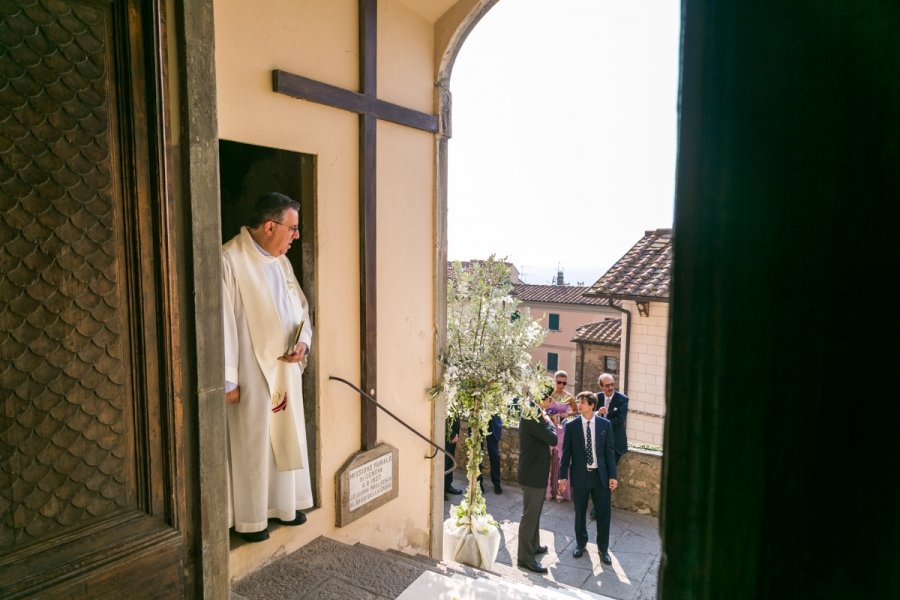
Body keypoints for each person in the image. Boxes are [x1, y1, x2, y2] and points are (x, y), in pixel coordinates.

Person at [223, 192, 313, 543]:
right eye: (292, 228)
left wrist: (303, 342)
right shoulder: (230, 259)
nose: (296, 236)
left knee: (286, 441)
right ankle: (251, 518)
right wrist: (227, 378)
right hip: (252, 374)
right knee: (255, 444)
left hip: (285, 373)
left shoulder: (281, 261)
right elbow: (222, 321)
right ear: (270, 226)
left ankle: (285, 507)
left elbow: (301, 309)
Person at [558, 391, 618, 565]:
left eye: (583, 402)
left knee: (604, 514)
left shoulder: (605, 425)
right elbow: (566, 453)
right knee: (579, 513)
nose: (579, 404)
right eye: (579, 401)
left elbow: (609, 452)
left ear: (592, 405)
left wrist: (612, 476)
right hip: (581, 476)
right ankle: (580, 544)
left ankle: (603, 548)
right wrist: (563, 477)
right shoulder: (572, 426)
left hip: (601, 477)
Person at [516, 397, 558, 574]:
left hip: (535, 471)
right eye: (551, 397)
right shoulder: (531, 414)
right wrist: (549, 422)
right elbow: (552, 439)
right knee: (530, 516)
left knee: (535, 513)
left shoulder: (534, 412)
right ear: (544, 398)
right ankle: (525, 558)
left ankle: (533, 546)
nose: (553, 400)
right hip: (532, 473)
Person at [590, 372, 628, 519]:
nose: (610, 388)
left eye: (612, 385)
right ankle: (599, 506)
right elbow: (586, 415)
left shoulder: (622, 399)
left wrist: (604, 418)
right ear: (601, 386)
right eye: (607, 386)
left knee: (608, 476)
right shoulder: (596, 398)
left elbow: (619, 420)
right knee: (599, 475)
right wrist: (597, 414)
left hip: (615, 446)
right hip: (598, 445)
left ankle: (598, 508)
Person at [545, 371, 574, 501]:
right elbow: (542, 409)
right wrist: (551, 415)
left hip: (562, 431)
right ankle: (548, 492)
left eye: (564, 383)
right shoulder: (548, 395)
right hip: (548, 429)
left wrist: (565, 415)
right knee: (548, 461)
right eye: (559, 382)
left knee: (562, 462)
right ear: (554, 381)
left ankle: (560, 492)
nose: (561, 385)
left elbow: (576, 410)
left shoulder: (568, 397)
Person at [478, 414, 503, 494]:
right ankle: (478, 482)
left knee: (494, 455)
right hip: (478, 422)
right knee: (477, 455)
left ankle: (496, 482)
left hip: (493, 423)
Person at [445, 416, 462, 498]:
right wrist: (452, 433)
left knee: (449, 462)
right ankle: (441, 490)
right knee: (444, 463)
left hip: (454, 434)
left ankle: (447, 485)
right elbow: (442, 418)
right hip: (446, 435)